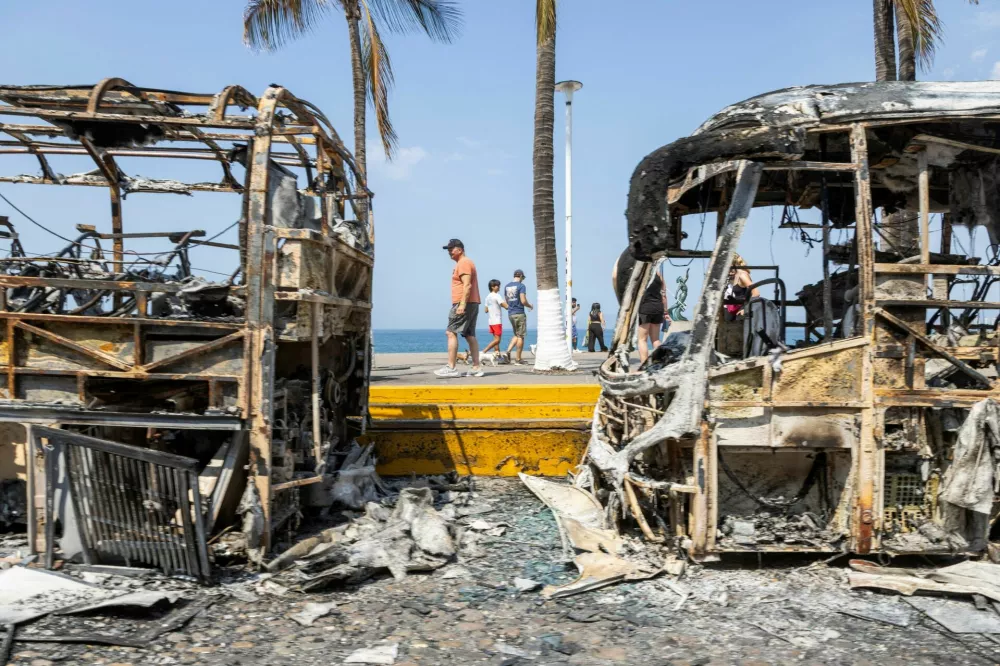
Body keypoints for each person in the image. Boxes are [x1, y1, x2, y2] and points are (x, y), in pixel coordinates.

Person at [435, 239, 483, 378]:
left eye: (451, 249)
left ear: (460, 250)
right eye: (448, 249)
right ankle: (476, 367)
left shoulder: (464, 263)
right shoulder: (464, 263)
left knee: (450, 332)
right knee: (469, 335)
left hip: (464, 303)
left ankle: (451, 367)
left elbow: (467, 285)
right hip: (471, 302)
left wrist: (461, 305)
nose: (449, 252)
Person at [637, 262, 670, 363]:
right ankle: (660, 363)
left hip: (645, 308)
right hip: (658, 308)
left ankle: (644, 365)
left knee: (642, 339)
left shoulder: (641, 274)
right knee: (655, 340)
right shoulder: (659, 275)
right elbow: (664, 296)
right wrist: (666, 312)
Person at [503, 269, 533, 365]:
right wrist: (530, 306)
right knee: (521, 336)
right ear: (520, 276)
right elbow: (523, 301)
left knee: (516, 334)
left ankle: (507, 352)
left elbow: (507, 301)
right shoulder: (521, 286)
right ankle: (518, 359)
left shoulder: (507, 286)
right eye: (523, 278)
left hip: (511, 313)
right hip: (519, 312)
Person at [724, 253, 760, 321]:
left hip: (742, 308)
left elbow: (756, 293)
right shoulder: (736, 275)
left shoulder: (742, 275)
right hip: (737, 307)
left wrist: (745, 309)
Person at [482, 279, 507, 355]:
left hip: (491, 321)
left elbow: (485, 310)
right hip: (497, 320)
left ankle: (498, 355)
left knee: (495, 339)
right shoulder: (497, 295)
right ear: (492, 287)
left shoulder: (487, 297)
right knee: (497, 340)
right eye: (498, 286)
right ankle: (483, 352)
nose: (499, 287)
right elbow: (505, 305)